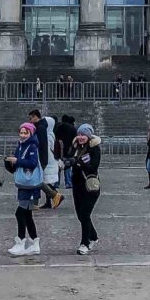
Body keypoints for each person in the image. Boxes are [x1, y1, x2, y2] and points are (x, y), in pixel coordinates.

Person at [4, 121, 43, 256]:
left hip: (30, 186)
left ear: (30, 133)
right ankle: (34, 243)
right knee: (27, 214)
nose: (22, 135)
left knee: (20, 213)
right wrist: (9, 163)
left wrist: (17, 161)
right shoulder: (20, 146)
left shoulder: (32, 146)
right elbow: (17, 165)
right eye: (21, 132)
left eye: (25, 132)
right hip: (23, 184)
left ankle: (21, 241)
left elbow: (32, 163)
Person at [71, 123, 102, 254]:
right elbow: (71, 161)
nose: (80, 137)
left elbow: (93, 168)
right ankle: (93, 236)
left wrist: (80, 163)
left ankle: (85, 243)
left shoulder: (94, 149)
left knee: (85, 213)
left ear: (89, 136)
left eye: (83, 135)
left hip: (90, 186)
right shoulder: (76, 147)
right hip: (77, 185)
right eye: (79, 134)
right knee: (80, 215)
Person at [27, 109, 64, 210]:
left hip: (42, 159)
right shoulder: (43, 129)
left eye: (31, 118)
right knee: (42, 180)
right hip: (45, 159)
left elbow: (42, 145)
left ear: (36, 117)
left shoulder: (41, 128)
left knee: (39, 180)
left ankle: (55, 195)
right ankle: (49, 199)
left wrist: (42, 161)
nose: (30, 120)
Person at [55, 114, 78, 189]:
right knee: (67, 167)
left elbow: (56, 139)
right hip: (69, 151)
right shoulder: (73, 129)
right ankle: (68, 183)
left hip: (59, 151)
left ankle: (56, 183)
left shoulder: (58, 127)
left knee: (58, 168)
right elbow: (75, 141)